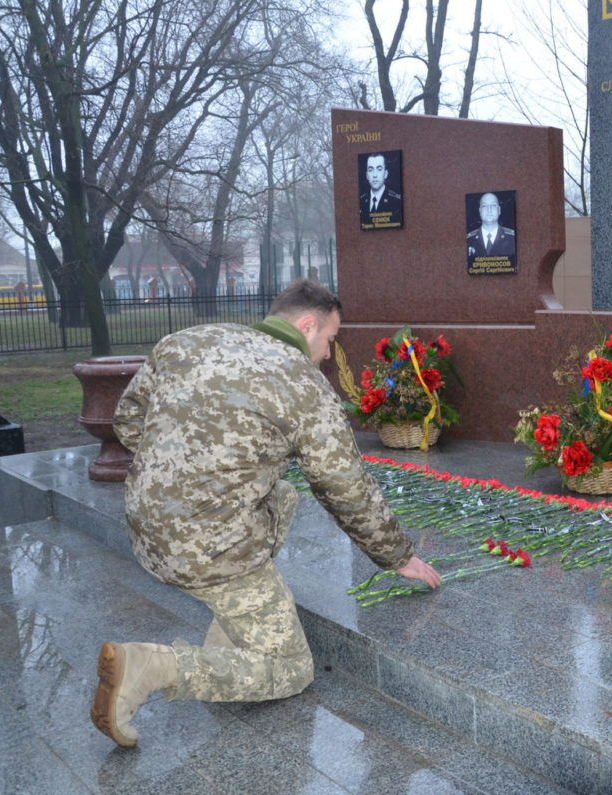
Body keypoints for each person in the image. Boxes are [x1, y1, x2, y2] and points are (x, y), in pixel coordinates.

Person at [90, 279, 440, 749]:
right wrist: (398, 555)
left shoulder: (187, 341)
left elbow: (128, 421)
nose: (325, 356)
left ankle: (233, 626)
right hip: (215, 548)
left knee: (281, 495)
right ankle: (153, 667)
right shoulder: (303, 384)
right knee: (289, 668)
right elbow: (345, 487)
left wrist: (184, 466)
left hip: (146, 527)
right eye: (329, 342)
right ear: (307, 324)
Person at [466, 193, 516, 257]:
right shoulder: (469, 239)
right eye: (484, 206)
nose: (489, 210)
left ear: (499, 210)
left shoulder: (512, 238)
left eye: (493, 205)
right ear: (480, 211)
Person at [359, 153, 402, 221]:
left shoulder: (396, 201)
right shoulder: (361, 201)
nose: (375, 175)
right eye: (371, 170)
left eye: (379, 169)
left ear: (385, 174)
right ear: (367, 175)